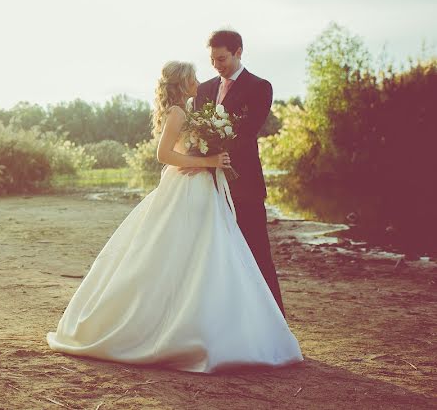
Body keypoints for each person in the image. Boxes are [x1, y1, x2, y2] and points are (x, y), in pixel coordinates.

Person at [45, 60, 302, 373]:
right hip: (186, 189)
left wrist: (210, 157)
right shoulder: (178, 112)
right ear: (184, 82)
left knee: (206, 255)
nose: (199, 80)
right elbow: (164, 155)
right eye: (193, 76)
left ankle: (207, 324)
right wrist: (209, 160)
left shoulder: (188, 109)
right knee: (182, 254)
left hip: (201, 189)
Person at [182, 29, 285, 316]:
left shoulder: (260, 87)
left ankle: (275, 322)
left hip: (245, 185)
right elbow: (196, 131)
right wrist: (201, 156)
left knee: (257, 253)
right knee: (213, 255)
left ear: (239, 52)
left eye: (222, 59)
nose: (217, 65)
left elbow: (248, 131)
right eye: (213, 60)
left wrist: (218, 153)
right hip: (207, 183)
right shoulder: (204, 89)